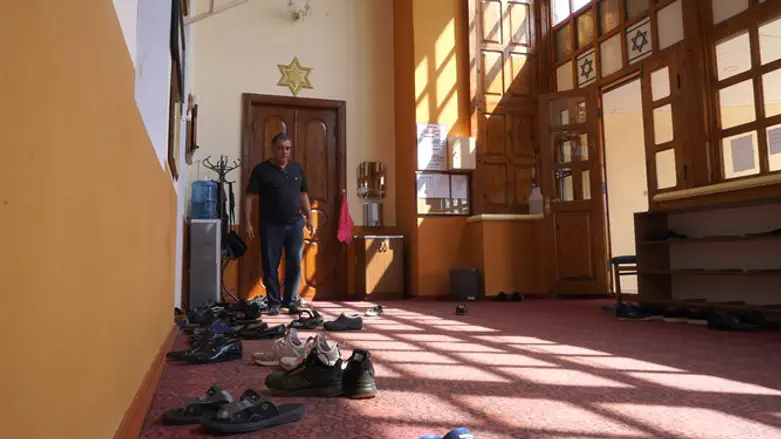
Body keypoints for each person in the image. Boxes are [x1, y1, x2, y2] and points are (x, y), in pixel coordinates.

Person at [244, 132, 315, 316]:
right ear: (273, 149)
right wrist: (248, 223)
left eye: (288, 148)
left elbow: (303, 195)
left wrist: (310, 218)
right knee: (270, 265)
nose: (284, 152)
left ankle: (290, 301)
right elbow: (249, 197)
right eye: (281, 148)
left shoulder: (297, 170)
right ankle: (274, 302)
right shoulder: (261, 170)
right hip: (270, 226)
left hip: (295, 225)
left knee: (294, 263)